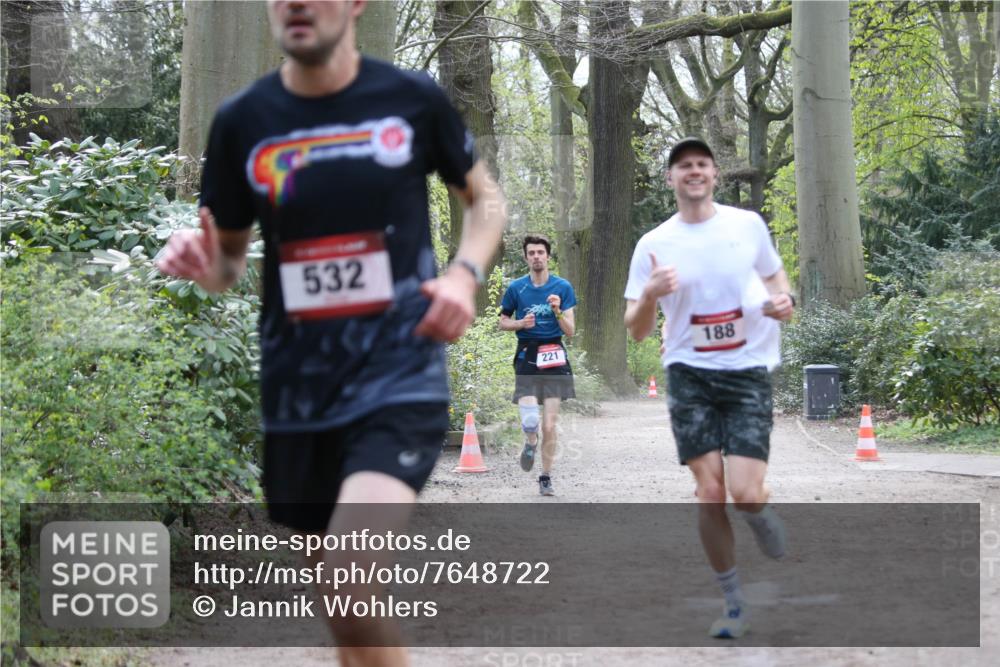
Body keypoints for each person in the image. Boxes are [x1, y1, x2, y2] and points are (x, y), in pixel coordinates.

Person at [156, 1, 506, 663]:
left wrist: (463, 276)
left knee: (347, 582)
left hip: (399, 374)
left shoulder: (410, 99)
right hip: (299, 394)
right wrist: (204, 265)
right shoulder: (241, 123)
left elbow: (484, 199)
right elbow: (228, 261)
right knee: (344, 609)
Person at [623, 137, 794, 639]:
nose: (693, 171)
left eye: (701, 164)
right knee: (710, 491)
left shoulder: (746, 225)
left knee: (743, 492)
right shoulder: (653, 244)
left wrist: (783, 298)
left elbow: (775, 276)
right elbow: (634, 328)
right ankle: (734, 601)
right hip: (688, 374)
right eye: (683, 166)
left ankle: (759, 512)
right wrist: (651, 295)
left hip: (746, 371)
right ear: (671, 179)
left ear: (715, 174)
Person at [499, 234, 576, 496]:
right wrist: (521, 324)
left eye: (540, 252)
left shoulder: (562, 287)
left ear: (548, 256)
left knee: (550, 425)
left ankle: (545, 477)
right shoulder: (516, 288)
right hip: (527, 355)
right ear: (526, 257)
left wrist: (556, 311)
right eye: (531, 253)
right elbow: (503, 322)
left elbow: (571, 330)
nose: (536, 257)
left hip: (554, 353)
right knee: (531, 421)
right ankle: (530, 442)